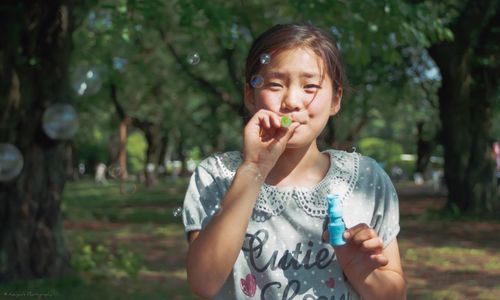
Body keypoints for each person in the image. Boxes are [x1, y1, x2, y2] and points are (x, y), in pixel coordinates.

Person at [182, 23, 406, 299]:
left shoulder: (367, 179)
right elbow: (203, 283)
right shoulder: (216, 176)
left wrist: (361, 271)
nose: (291, 101)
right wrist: (253, 169)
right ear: (250, 96)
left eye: (310, 86)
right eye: (275, 85)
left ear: (336, 99)